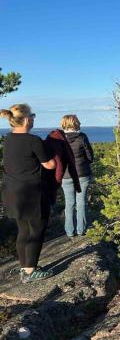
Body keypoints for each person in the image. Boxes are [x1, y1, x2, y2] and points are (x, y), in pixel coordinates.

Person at [1, 104, 56, 283]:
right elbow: (50, 165)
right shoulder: (33, 141)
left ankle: (25, 267)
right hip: (32, 191)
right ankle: (31, 272)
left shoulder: (8, 139)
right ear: (26, 119)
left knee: (23, 229)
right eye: (32, 115)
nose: (33, 118)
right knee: (37, 230)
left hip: (12, 191)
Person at [60, 115, 94, 237]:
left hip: (66, 175)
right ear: (76, 123)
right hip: (82, 174)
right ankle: (81, 230)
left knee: (69, 204)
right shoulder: (82, 137)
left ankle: (69, 231)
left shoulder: (60, 138)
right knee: (81, 203)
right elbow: (90, 157)